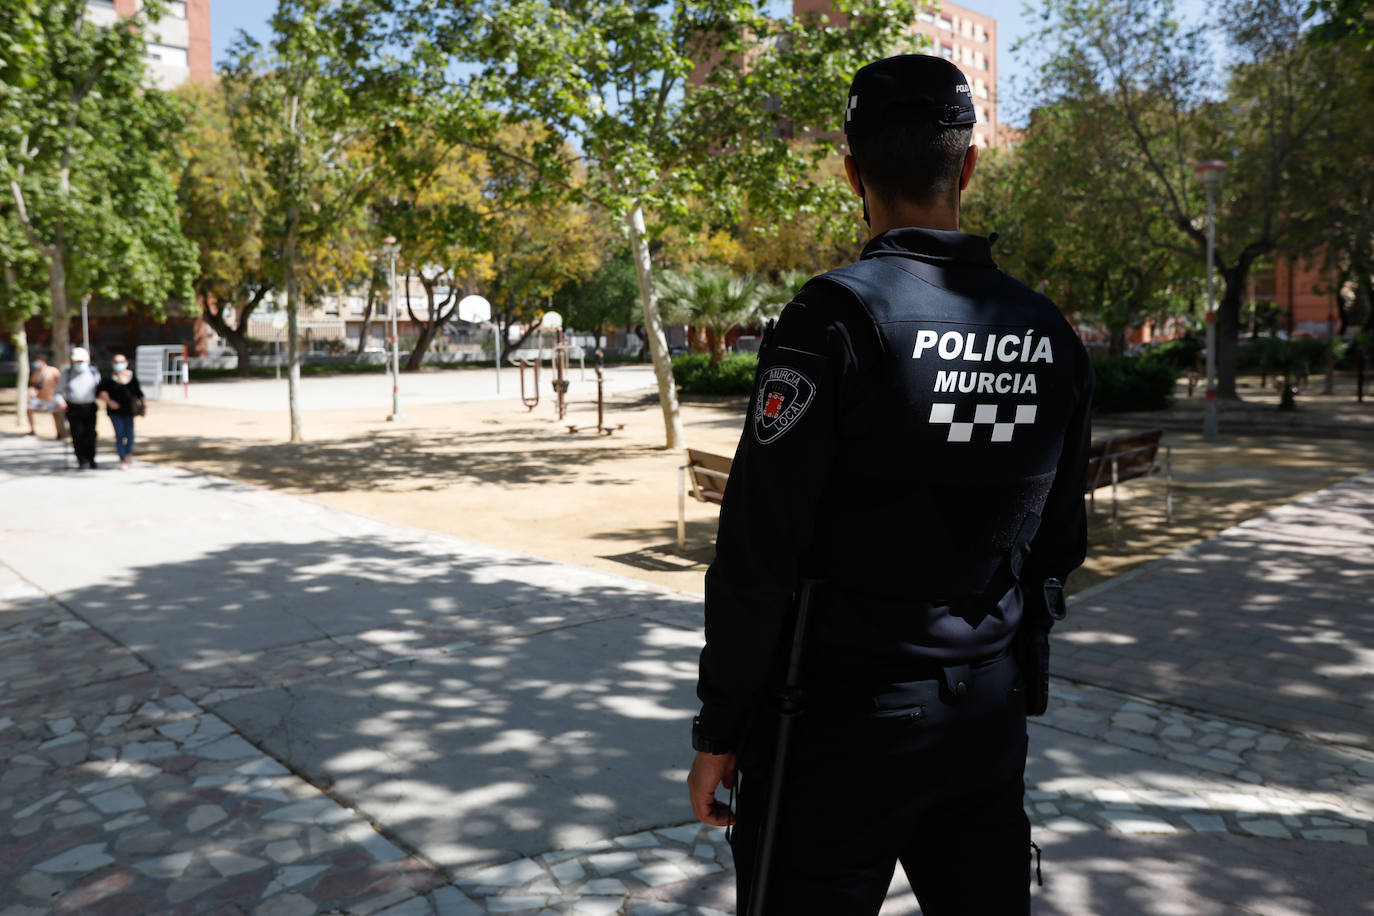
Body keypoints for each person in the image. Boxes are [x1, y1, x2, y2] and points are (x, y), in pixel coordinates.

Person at [686, 55, 1094, 915]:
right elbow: (1060, 540)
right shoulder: (1045, 329)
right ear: (970, 167)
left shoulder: (831, 319)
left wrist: (719, 731)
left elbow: (757, 547)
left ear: (851, 171)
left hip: (837, 726)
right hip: (984, 715)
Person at [96, 353, 144, 469]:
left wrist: (143, 407)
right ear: (112, 364)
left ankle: (128, 455)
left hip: (129, 411)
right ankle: (123, 459)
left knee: (130, 435)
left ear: (126, 363)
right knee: (120, 435)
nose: (119, 365)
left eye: (121, 362)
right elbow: (100, 393)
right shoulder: (107, 379)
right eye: (116, 362)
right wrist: (109, 402)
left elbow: (139, 393)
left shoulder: (132, 377)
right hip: (115, 412)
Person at [60, 347, 102, 469]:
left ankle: (91, 458)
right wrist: (60, 402)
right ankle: (82, 460)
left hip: (89, 407)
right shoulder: (66, 374)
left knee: (91, 434)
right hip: (73, 408)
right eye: (76, 361)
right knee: (77, 434)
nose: (79, 364)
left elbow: (99, 388)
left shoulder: (93, 372)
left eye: (81, 361)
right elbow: (58, 392)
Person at [25, 356, 65, 438]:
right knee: (29, 409)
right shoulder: (36, 372)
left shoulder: (53, 370)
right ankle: (32, 430)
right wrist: (31, 390)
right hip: (39, 397)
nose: (36, 364)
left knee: (55, 415)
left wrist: (60, 396)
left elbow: (61, 383)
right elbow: (33, 384)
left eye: (38, 362)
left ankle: (59, 433)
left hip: (50, 397)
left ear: (43, 362)